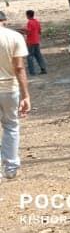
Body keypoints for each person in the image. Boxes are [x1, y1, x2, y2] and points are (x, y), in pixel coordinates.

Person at [0, 11, 30, 179]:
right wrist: (26, 95)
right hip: (9, 88)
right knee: (11, 126)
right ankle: (10, 167)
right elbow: (19, 68)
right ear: (4, 21)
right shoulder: (14, 37)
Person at [23, 10, 46, 75]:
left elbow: (28, 32)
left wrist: (23, 31)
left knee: (30, 57)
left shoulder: (29, 22)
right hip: (36, 41)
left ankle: (32, 72)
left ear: (27, 15)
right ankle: (43, 69)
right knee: (38, 55)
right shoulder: (37, 21)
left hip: (30, 42)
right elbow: (39, 32)